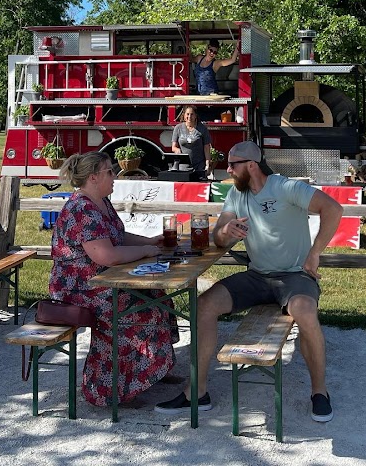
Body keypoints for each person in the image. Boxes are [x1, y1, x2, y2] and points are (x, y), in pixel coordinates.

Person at [156, 141, 343, 422]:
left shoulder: (285, 187)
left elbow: (333, 208)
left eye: (233, 165)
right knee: (204, 304)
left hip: (294, 276)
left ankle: (320, 391)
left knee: (304, 311)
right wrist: (225, 231)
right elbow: (219, 235)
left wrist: (315, 253)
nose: (228, 169)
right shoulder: (236, 193)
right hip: (257, 276)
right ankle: (196, 391)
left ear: (252, 166)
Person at [49, 152, 175, 407]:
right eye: (109, 171)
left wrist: (150, 241)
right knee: (136, 312)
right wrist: (147, 251)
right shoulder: (82, 208)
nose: (115, 176)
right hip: (79, 288)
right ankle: (109, 391)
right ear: (94, 177)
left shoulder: (101, 203)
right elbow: (106, 255)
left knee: (158, 297)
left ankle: (149, 372)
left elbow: (118, 236)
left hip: (100, 282)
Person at [172, 105, 212, 180]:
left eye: (192, 114)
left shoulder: (202, 129)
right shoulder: (178, 128)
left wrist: (208, 164)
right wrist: (177, 150)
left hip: (199, 168)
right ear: (184, 115)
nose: (189, 116)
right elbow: (173, 147)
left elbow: (206, 148)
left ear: (196, 116)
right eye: (187, 114)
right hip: (182, 168)